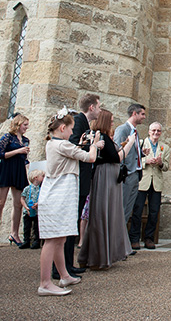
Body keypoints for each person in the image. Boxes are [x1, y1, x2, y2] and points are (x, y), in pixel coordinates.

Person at [38, 108, 103, 296]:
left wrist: (83, 144)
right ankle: (45, 283)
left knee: (60, 238)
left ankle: (64, 275)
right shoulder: (62, 145)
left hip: (61, 194)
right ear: (63, 128)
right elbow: (90, 158)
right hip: (58, 196)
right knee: (52, 240)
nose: (72, 133)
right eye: (71, 129)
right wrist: (94, 143)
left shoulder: (55, 143)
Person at [78, 110, 135, 269]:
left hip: (110, 176)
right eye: (110, 120)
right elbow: (117, 157)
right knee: (102, 214)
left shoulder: (104, 137)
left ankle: (93, 256)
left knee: (107, 214)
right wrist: (130, 143)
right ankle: (98, 258)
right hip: (105, 177)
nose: (112, 122)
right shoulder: (101, 137)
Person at [58, 94, 101, 278]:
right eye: (99, 106)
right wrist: (94, 145)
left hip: (81, 179)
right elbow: (73, 146)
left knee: (72, 224)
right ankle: (61, 268)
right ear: (91, 107)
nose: (100, 109)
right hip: (75, 180)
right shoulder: (78, 121)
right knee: (68, 224)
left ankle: (68, 265)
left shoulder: (84, 122)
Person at [0, 114, 31, 247]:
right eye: (25, 125)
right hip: (6, 169)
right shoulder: (7, 137)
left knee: (18, 203)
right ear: (18, 125)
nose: (26, 127)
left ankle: (14, 233)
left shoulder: (25, 140)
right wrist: (18, 151)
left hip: (19, 170)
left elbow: (24, 158)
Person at [129, 122, 170, 250]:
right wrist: (145, 161)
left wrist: (160, 163)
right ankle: (134, 238)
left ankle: (149, 238)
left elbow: (167, 166)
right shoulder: (141, 143)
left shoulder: (165, 147)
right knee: (138, 210)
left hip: (156, 183)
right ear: (149, 131)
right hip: (143, 182)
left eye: (158, 131)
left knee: (154, 211)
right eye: (153, 130)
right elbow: (133, 160)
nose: (156, 133)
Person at [113, 103, 147, 222]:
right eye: (142, 114)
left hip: (136, 174)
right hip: (126, 174)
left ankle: (122, 237)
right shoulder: (123, 130)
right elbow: (118, 150)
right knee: (121, 207)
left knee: (128, 209)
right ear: (134, 113)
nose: (144, 117)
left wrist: (141, 153)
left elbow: (131, 151)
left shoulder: (135, 131)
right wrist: (123, 172)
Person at [19, 169, 43, 249]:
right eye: (42, 176)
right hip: (28, 211)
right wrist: (26, 207)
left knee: (36, 227)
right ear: (36, 178)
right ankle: (26, 240)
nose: (43, 178)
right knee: (27, 227)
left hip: (37, 211)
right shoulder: (27, 188)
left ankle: (37, 241)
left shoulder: (41, 189)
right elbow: (22, 198)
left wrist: (37, 204)